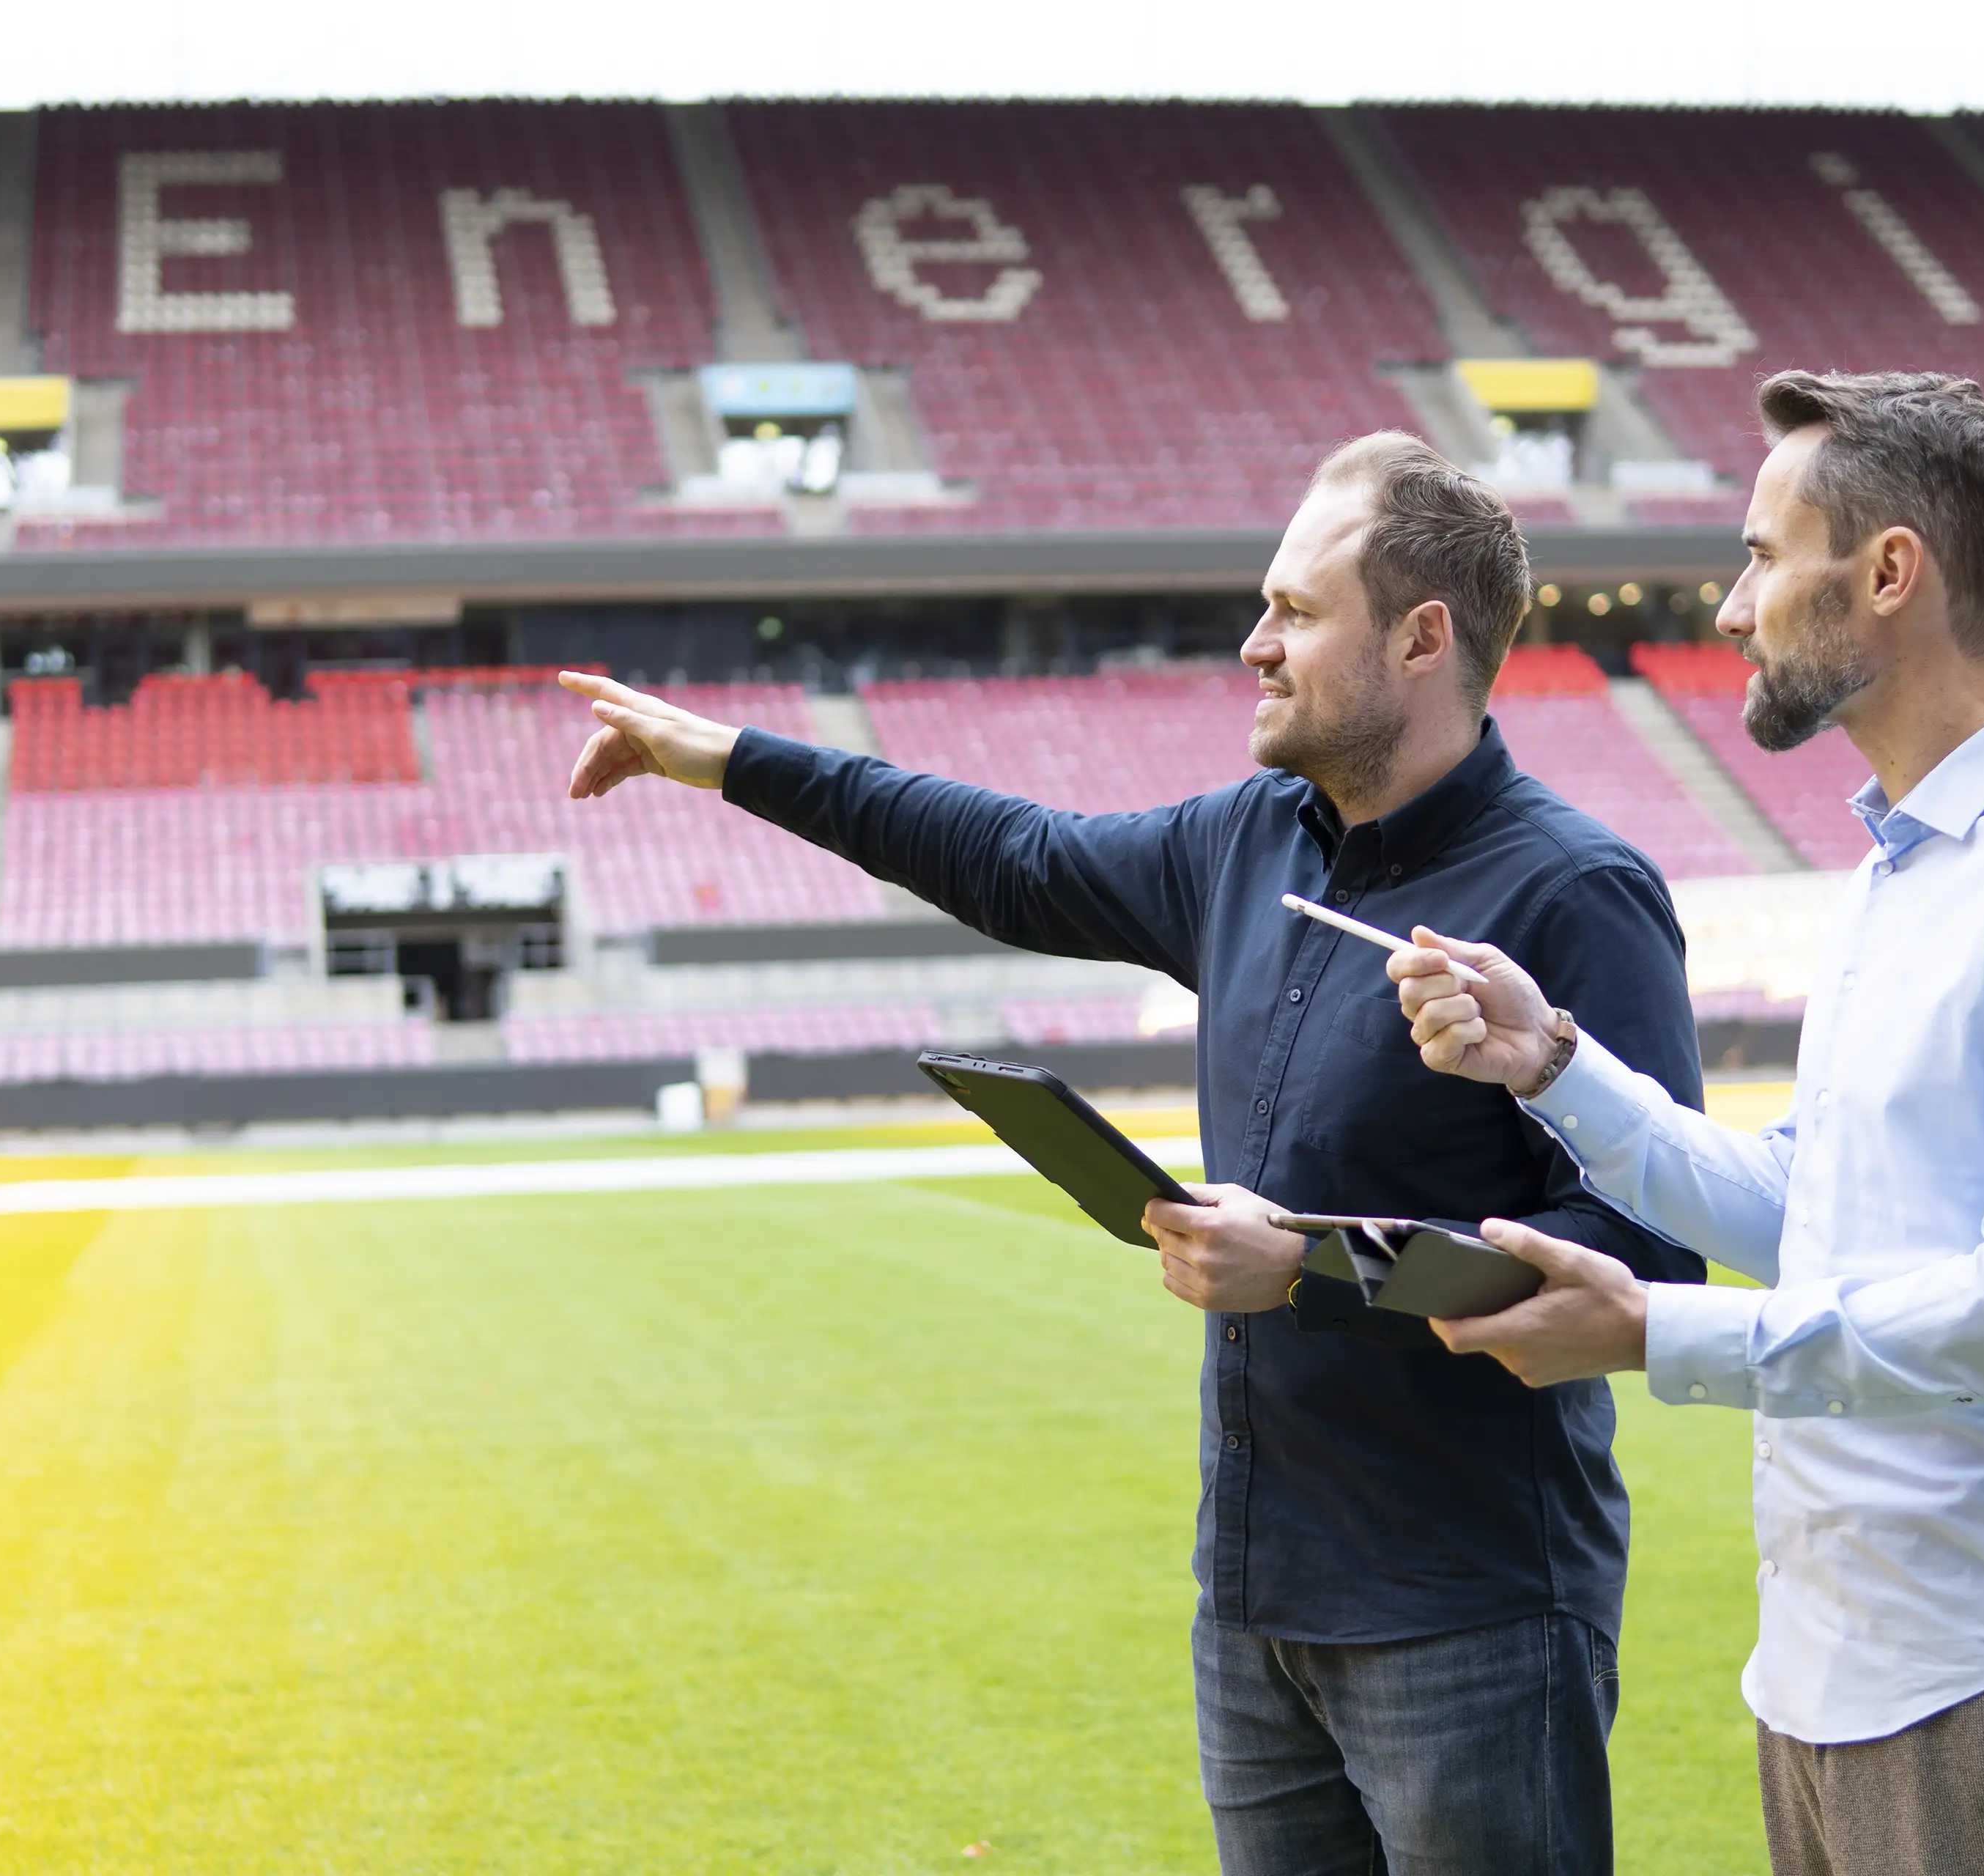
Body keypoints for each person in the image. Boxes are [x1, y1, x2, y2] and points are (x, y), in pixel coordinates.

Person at [560, 433, 1707, 1875]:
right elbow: (1012, 854)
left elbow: (1641, 1269)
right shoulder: (1251, 842)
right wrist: (726, 758)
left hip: (1466, 1607)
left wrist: (1308, 1268)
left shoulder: (1575, 890)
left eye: (1296, 611)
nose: (1255, 644)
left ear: (1422, 638)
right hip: (1253, 1597)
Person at [1389, 372, 1984, 1876]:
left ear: (1889, 573)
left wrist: (1659, 1337)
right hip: (1828, 1661)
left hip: (1983, 1667)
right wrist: (1554, 1062)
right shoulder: (1899, 869)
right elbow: (1807, 1206)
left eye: (1766, 555)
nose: (1730, 605)